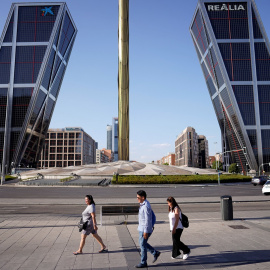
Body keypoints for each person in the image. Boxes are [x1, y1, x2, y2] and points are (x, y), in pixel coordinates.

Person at [135, 190, 160, 268]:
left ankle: (143, 262)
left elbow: (147, 219)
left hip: (144, 229)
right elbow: (153, 216)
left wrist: (146, 231)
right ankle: (155, 253)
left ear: (143, 197)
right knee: (143, 243)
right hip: (141, 228)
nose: (137, 199)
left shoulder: (146, 206)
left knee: (142, 245)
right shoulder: (143, 204)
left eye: (138, 197)